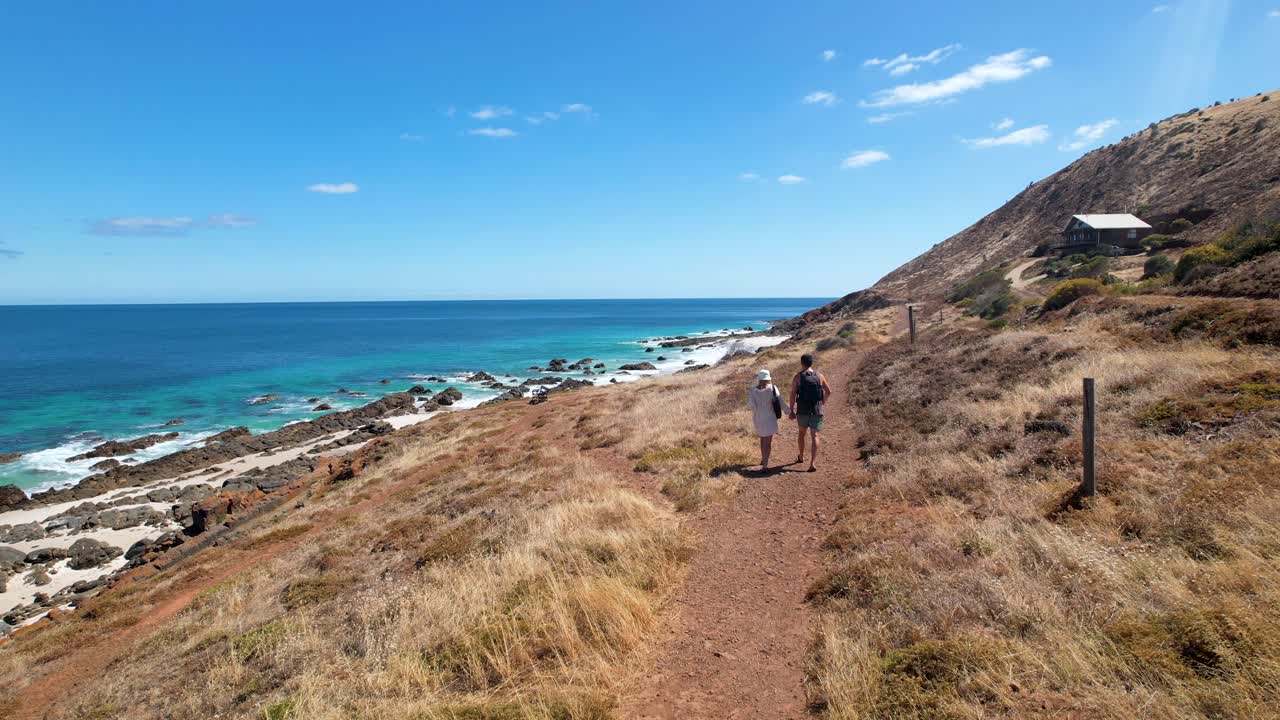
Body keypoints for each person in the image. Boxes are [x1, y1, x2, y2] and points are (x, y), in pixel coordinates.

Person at [789, 353, 831, 472]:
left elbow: (792, 395)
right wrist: (823, 402)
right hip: (816, 410)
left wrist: (791, 410)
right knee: (815, 436)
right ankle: (812, 463)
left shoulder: (798, 377)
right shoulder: (820, 376)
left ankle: (801, 456)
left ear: (801, 363)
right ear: (811, 363)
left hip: (802, 411)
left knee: (802, 434)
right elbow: (829, 391)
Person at [747, 369, 790, 471]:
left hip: (758, 419)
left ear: (759, 379)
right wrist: (789, 412)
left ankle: (763, 459)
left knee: (762, 440)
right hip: (770, 419)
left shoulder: (752, 390)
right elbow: (781, 402)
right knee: (768, 443)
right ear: (768, 379)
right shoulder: (773, 388)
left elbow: (751, 406)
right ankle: (765, 465)